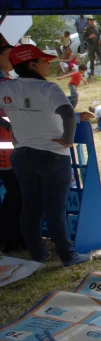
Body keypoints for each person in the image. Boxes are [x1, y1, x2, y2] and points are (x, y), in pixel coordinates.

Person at [0, 45, 91, 267]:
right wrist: (68, 141)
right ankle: (68, 256)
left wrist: (9, 127)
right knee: (54, 209)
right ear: (32, 65)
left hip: (22, 156)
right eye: (44, 61)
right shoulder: (49, 89)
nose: (48, 64)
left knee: (30, 206)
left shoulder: (7, 88)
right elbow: (68, 113)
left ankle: (38, 254)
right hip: (52, 155)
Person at [0, 35, 25, 254]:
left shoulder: (8, 81)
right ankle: (11, 239)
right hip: (5, 149)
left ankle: (10, 238)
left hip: (8, 145)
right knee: (16, 193)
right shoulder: (5, 84)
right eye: (8, 55)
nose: (12, 59)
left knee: (13, 193)